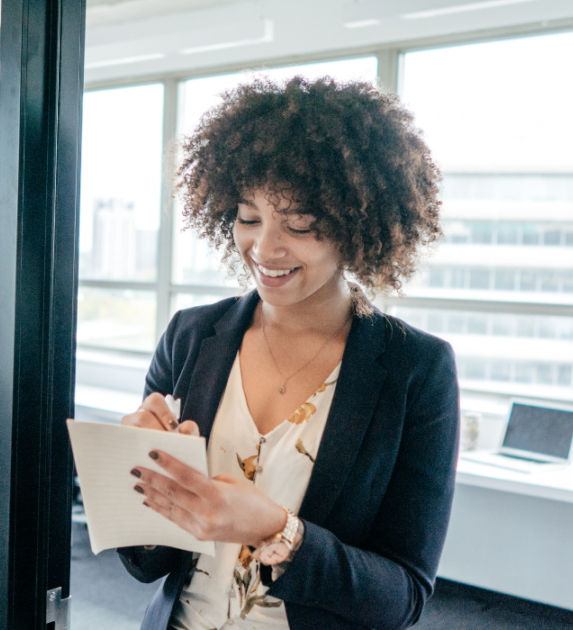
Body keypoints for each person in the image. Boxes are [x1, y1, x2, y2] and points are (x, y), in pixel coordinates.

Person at [117, 76, 459, 630]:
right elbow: (144, 561)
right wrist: (138, 466)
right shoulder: (190, 337)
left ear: (358, 227)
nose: (265, 248)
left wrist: (277, 530)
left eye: (300, 224)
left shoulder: (414, 370)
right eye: (249, 218)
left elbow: (403, 597)